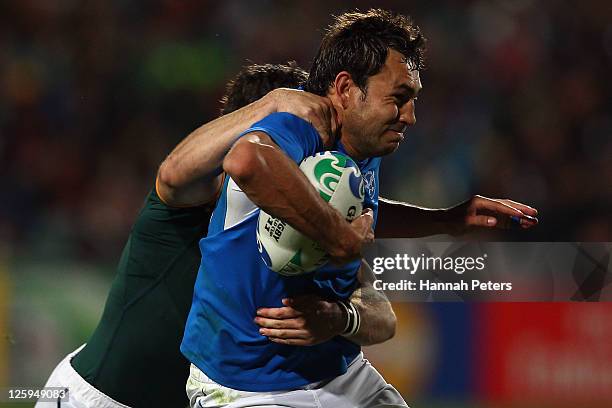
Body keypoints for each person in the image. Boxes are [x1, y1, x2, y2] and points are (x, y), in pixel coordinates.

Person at [180, 9, 537, 408]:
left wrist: (447, 220)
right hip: (246, 386)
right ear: (346, 88)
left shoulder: (365, 142)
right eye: (399, 99)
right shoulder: (300, 124)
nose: (411, 117)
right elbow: (246, 160)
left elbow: (359, 210)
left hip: (344, 375)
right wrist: (338, 239)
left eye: (413, 100)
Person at [37, 63, 397, 408]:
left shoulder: (294, 233)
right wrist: (273, 104)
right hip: (95, 399)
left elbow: (381, 309)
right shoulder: (193, 198)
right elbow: (174, 174)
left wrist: (342, 316)